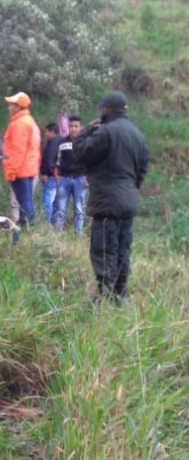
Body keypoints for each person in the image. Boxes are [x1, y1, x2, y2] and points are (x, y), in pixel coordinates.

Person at [72, 91, 149, 303]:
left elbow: (80, 152)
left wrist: (88, 129)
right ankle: (120, 293)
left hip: (107, 201)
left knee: (104, 247)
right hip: (129, 200)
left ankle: (105, 295)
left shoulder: (106, 132)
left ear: (107, 110)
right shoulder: (138, 135)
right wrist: (131, 190)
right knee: (123, 248)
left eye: (102, 110)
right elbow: (142, 171)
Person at [2, 92, 41, 228]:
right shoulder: (29, 121)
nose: (9, 108)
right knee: (27, 201)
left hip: (21, 170)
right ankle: (28, 229)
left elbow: (17, 150)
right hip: (28, 169)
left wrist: (11, 171)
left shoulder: (20, 124)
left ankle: (27, 230)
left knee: (24, 203)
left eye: (11, 105)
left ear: (18, 107)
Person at [54, 115, 88, 234]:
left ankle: (78, 235)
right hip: (64, 179)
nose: (73, 128)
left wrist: (89, 178)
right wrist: (57, 176)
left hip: (80, 179)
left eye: (76, 126)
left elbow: (90, 161)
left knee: (79, 209)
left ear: (81, 127)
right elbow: (57, 160)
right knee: (61, 209)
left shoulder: (85, 143)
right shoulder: (62, 142)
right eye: (71, 126)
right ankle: (58, 235)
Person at [40, 122, 60, 224]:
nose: (46, 134)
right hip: (58, 176)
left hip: (51, 177)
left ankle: (46, 223)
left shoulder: (52, 144)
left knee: (48, 201)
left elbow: (49, 159)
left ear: (52, 132)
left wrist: (45, 173)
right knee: (56, 202)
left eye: (47, 132)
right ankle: (54, 223)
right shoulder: (60, 142)